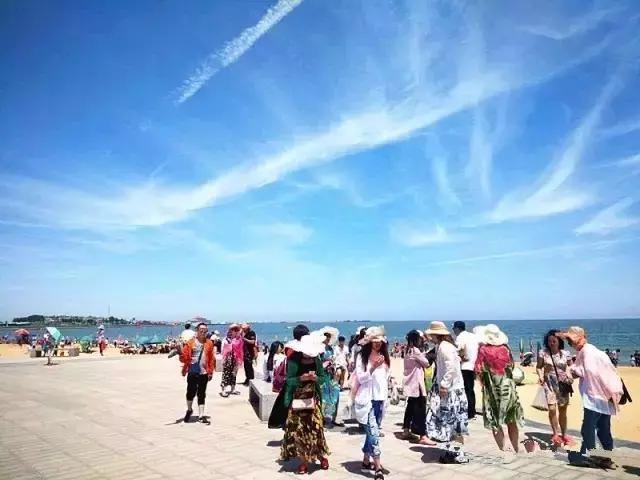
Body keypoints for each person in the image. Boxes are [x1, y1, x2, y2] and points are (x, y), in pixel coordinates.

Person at [559, 327, 624, 459]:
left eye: (570, 341)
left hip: (595, 396)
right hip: (606, 395)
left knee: (588, 428)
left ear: (578, 339)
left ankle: (590, 456)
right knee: (603, 428)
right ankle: (607, 456)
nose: (569, 344)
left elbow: (589, 371)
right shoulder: (593, 350)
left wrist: (569, 371)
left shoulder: (586, 352)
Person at [280, 334, 330, 474]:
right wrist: (300, 378)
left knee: (316, 429)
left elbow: (323, 378)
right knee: (300, 431)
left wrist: (315, 378)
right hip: (297, 400)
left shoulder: (317, 360)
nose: (309, 355)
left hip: (313, 399)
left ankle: (321, 456)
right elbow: (288, 380)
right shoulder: (293, 360)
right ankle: (304, 461)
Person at [474, 324, 523, 454]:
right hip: (508, 387)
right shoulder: (506, 348)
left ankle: (503, 448)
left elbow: (478, 370)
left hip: (492, 389)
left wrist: (484, 380)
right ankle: (516, 448)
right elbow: (512, 366)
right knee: (511, 419)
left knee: (495, 420)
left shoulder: (483, 350)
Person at [424, 322, 469, 464]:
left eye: (431, 334)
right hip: (452, 389)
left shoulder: (444, 347)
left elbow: (451, 367)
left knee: (452, 422)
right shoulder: (442, 346)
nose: (430, 337)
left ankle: (456, 453)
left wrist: (444, 384)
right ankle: (452, 452)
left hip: (451, 390)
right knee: (451, 423)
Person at [353, 327, 389, 480]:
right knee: (374, 434)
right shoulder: (362, 357)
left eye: (380, 341)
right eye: (374, 341)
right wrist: (373, 368)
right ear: (369, 342)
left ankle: (366, 460)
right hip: (367, 400)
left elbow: (385, 377)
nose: (377, 344)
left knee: (371, 433)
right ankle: (378, 467)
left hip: (380, 400)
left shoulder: (384, 356)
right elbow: (360, 378)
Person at [536, 329, 573, 446]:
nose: (551, 343)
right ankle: (555, 434)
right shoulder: (543, 353)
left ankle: (564, 434)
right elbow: (539, 367)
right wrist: (540, 376)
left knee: (563, 410)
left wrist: (569, 374)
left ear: (559, 341)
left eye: (554, 341)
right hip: (549, 384)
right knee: (552, 409)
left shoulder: (565, 353)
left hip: (563, 385)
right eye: (549, 341)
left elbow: (571, 366)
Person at [402, 329, 435, 445]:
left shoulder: (407, 350)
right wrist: (432, 354)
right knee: (420, 410)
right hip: (417, 384)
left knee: (410, 407)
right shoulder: (415, 350)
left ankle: (406, 430)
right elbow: (426, 363)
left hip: (410, 383)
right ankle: (422, 435)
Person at [179, 322, 215, 424]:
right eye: (201, 330)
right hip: (192, 371)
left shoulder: (209, 343)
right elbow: (184, 359)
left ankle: (201, 415)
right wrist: (180, 354)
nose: (203, 332)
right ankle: (189, 409)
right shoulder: (190, 343)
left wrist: (210, 372)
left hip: (204, 372)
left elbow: (211, 359)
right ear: (197, 331)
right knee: (190, 392)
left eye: (205, 330)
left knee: (202, 393)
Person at [453, 321, 479, 420]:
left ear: (457, 329)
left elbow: (460, 350)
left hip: (464, 366)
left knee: (464, 390)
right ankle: (472, 411)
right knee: (470, 389)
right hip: (473, 366)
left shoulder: (460, 337)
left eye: (454, 329)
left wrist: (460, 357)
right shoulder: (473, 336)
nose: (453, 330)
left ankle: (467, 412)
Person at [220, 324, 243, 397]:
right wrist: (223, 359)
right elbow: (223, 350)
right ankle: (223, 390)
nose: (235, 332)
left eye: (236, 330)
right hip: (228, 358)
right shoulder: (226, 339)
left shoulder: (238, 339)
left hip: (235, 358)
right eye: (233, 330)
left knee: (234, 374)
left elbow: (240, 350)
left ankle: (233, 389)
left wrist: (239, 360)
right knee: (226, 374)